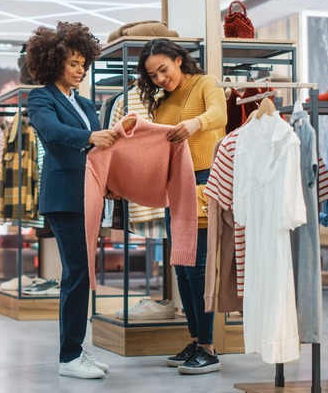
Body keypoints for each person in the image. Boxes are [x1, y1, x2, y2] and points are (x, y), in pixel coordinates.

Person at [25, 21, 118, 379]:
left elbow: (98, 149)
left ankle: (78, 350)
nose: (80, 70)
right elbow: (52, 131)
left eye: (83, 63)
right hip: (64, 197)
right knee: (77, 273)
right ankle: (69, 357)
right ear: (54, 63)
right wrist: (91, 136)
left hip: (90, 194)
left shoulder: (82, 102)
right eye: (73, 63)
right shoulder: (41, 97)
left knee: (84, 273)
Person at [136, 38, 227, 374]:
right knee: (182, 266)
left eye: (164, 69)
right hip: (175, 185)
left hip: (203, 182)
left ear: (178, 60)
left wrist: (194, 124)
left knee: (199, 265)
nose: (160, 78)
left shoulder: (205, 83)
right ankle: (195, 338)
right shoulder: (161, 103)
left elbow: (219, 115)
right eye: (153, 75)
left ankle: (208, 347)